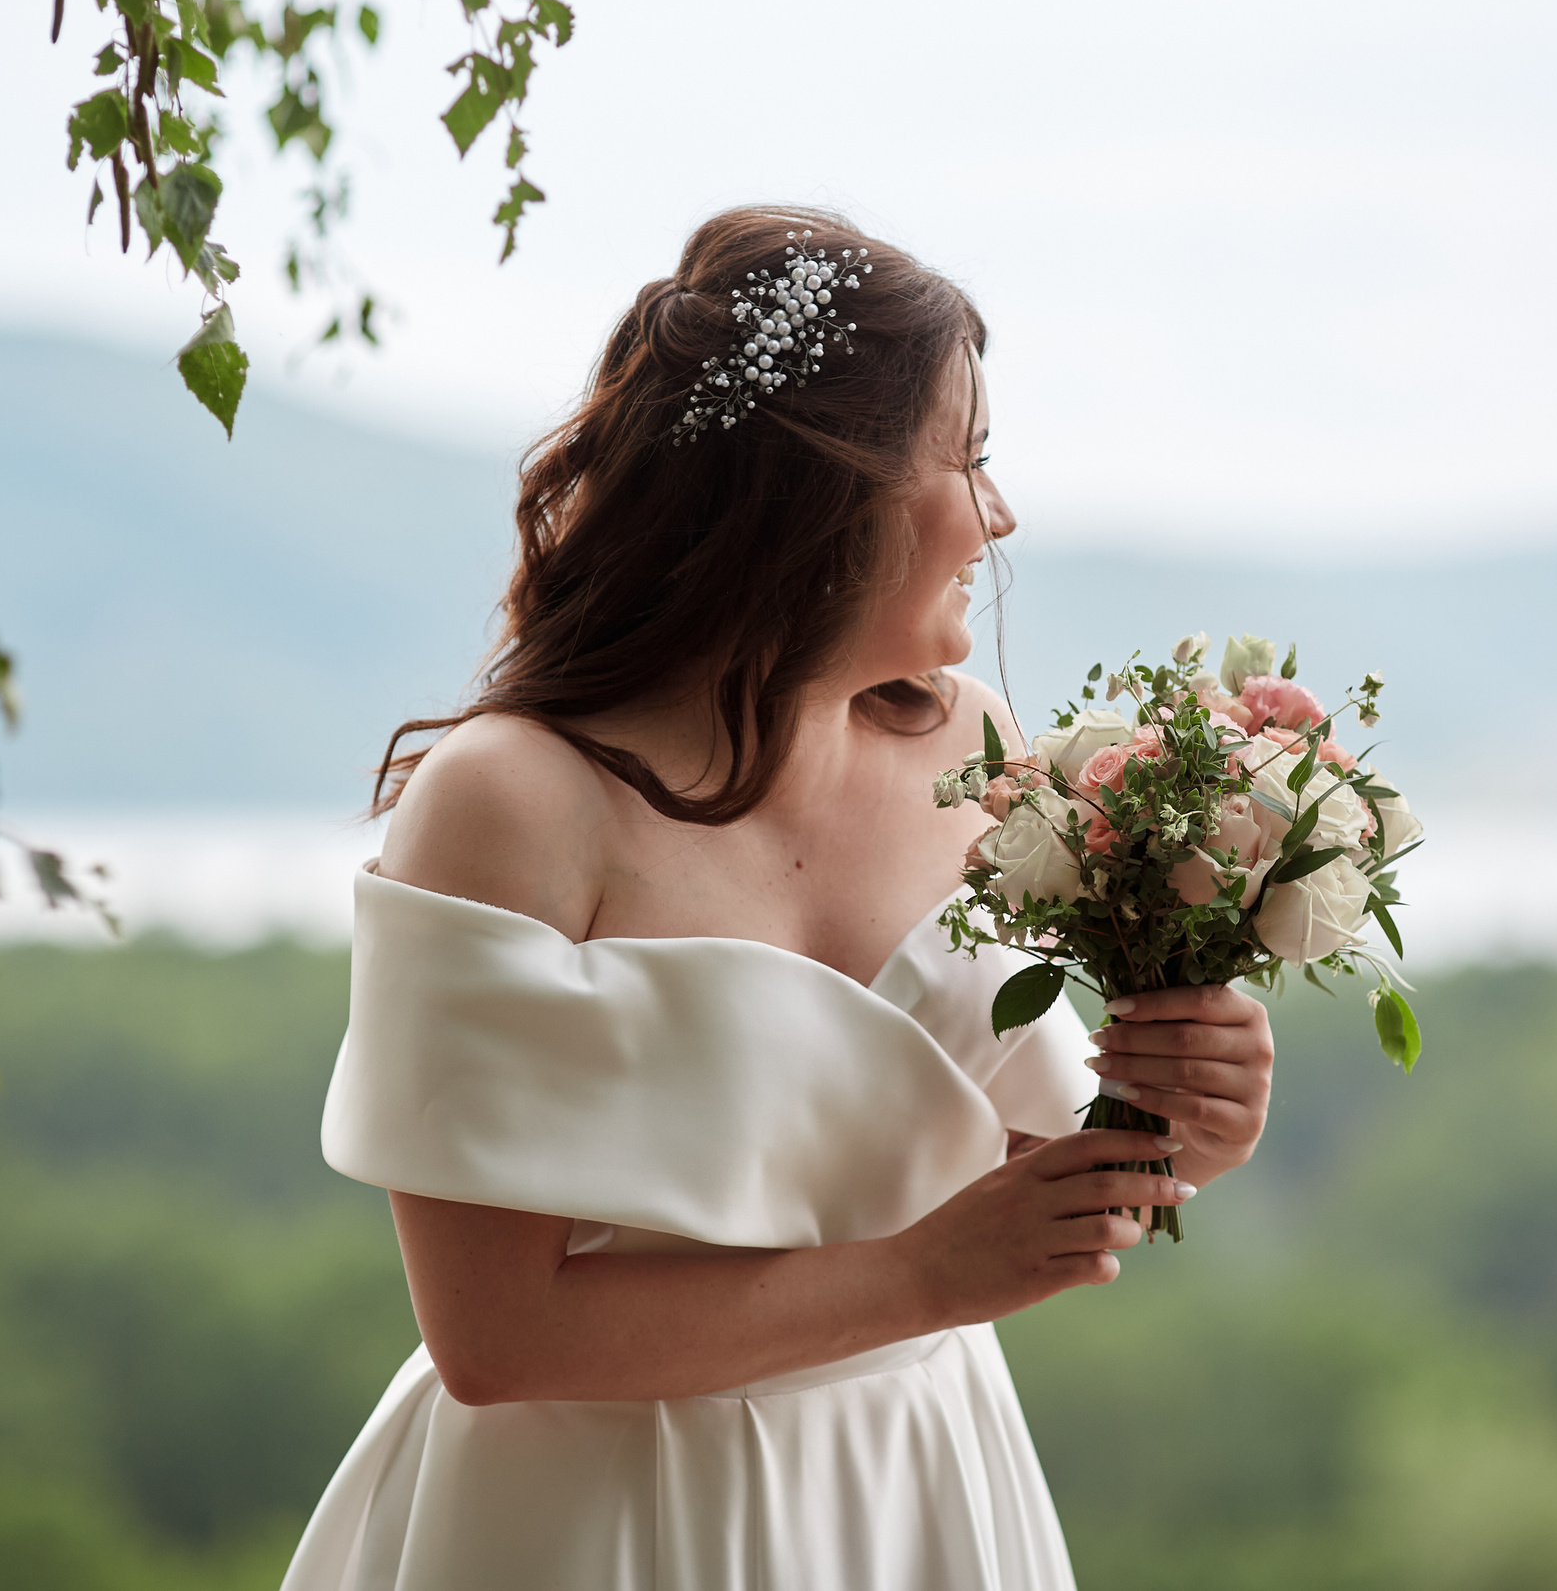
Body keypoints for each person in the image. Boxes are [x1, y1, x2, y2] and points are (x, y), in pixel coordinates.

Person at [283, 207, 1274, 1591]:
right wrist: (924, 1279)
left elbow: (1004, 1184)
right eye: (970, 459)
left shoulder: (969, 748)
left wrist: (1179, 1131)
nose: (1000, 514)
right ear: (826, 491)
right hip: (606, 1517)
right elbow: (494, 1338)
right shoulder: (512, 800)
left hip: (918, 1487)